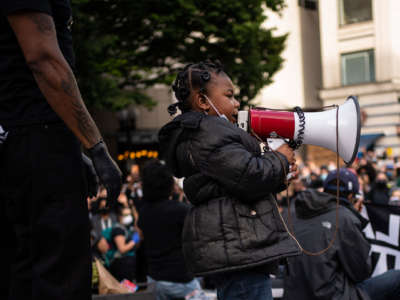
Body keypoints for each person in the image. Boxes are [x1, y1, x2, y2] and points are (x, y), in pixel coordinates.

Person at [0, 1, 122, 299]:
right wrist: (94, 145)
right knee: (59, 275)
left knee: (25, 273)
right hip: (36, 138)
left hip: (25, 136)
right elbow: (43, 58)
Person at [158, 61, 300, 300]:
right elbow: (249, 176)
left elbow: (232, 183)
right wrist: (280, 158)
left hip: (237, 244)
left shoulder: (206, 134)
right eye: (230, 96)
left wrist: (278, 174)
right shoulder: (209, 134)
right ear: (203, 101)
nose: (237, 104)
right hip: (239, 247)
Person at [283, 168, 400, 300]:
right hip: (333, 296)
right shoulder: (345, 218)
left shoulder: (292, 212)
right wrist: (355, 216)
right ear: (351, 197)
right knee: (397, 277)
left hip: (294, 294)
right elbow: (361, 272)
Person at [137, 159, 204, 300]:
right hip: (183, 279)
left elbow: (141, 239)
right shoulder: (182, 210)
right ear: (168, 183)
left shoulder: (143, 212)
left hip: (155, 279)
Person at [107, 205, 140, 282]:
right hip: (121, 263)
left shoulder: (128, 228)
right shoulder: (118, 229)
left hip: (129, 263)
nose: (128, 217)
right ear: (119, 216)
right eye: (125, 215)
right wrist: (134, 241)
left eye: (129, 214)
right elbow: (122, 249)